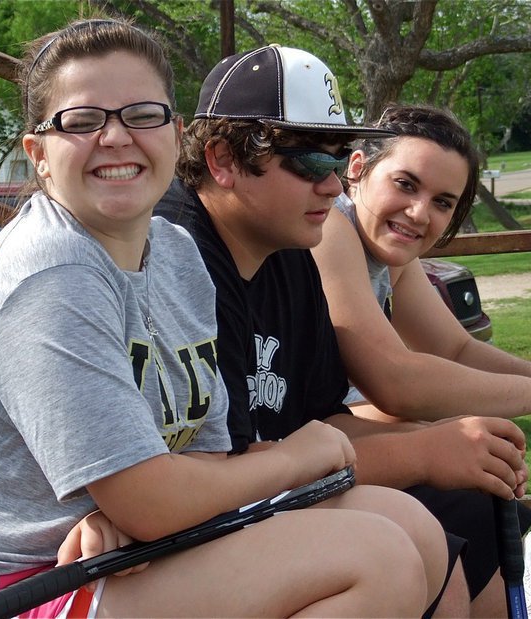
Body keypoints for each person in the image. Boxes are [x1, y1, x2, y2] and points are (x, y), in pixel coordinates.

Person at [0, 21, 446, 618]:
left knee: (409, 525)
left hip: (107, 556)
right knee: (375, 558)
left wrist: (128, 511)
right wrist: (295, 457)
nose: (116, 137)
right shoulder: (50, 272)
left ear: (175, 137)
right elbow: (155, 499)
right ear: (39, 156)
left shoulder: (175, 253)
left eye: (141, 115)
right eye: (82, 121)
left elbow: (202, 460)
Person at [155, 44, 489, 617]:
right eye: (310, 163)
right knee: (389, 551)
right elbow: (220, 476)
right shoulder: (179, 252)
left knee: (441, 529)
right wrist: (422, 454)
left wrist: (443, 443)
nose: (334, 187)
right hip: (114, 546)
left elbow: (318, 420)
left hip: (220, 503)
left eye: (339, 161)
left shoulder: (287, 244)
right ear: (222, 161)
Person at [308, 103, 531, 615]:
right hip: (288, 461)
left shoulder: (389, 254)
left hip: (330, 445)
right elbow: (394, 382)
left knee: (480, 483)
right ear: (356, 169)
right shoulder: (333, 228)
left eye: (442, 202)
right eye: (405, 184)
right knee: (466, 491)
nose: (421, 212)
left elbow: (456, 347)